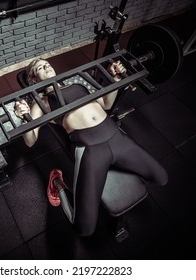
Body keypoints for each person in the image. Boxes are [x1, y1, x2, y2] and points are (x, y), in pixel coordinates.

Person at [14, 58, 168, 236]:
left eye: (47, 63)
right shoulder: (41, 103)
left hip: (117, 139)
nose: (47, 66)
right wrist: (23, 118)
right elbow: (30, 141)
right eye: (40, 67)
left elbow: (106, 104)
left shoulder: (77, 83)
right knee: (84, 228)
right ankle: (57, 183)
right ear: (34, 80)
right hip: (91, 151)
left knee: (161, 178)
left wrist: (115, 78)